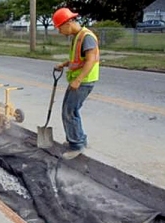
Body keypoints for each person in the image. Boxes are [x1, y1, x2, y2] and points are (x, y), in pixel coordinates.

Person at [52, 8, 100, 160]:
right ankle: (79, 139)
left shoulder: (86, 37)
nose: (59, 32)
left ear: (68, 23)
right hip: (79, 80)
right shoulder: (77, 36)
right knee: (71, 110)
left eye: (60, 27)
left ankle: (76, 145)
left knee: (69, 111)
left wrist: (78, 80)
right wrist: (64, 64)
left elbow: (91, 59)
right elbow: (79, 59)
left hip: (83, 81)